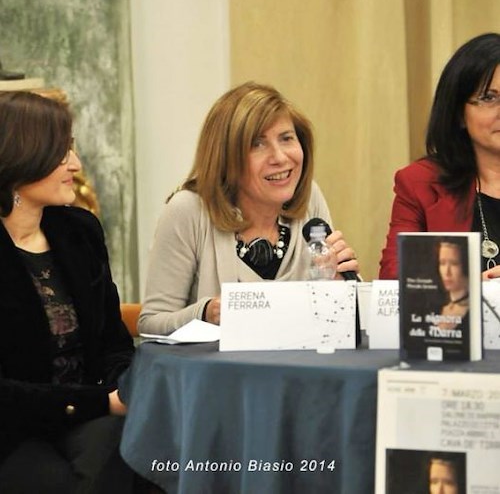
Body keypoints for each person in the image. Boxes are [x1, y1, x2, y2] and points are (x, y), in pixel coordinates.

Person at [139, 81, 359, 334]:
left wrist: (340, 284)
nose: (279, 157)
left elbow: (331, 323)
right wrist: (205, 312)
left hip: (299, 370)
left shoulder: (310, 199)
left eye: (286, 138)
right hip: (218, 373)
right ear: (225, 157)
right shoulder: (187, 211)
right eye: (257, 144)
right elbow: (150, 325)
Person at [0, 91, 137, 493]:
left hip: (89, 418)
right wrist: (100, 403)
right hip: (13, 430)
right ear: (23, 157)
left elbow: (114, 341)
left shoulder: (79, 231)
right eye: (62, 154)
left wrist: (124, 389)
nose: (76, 165)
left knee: (117, 447)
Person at [379, 32, 500, 280]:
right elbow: (396, 281)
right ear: (458, 112)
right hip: (458, 318)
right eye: (489, 98)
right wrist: (470, 289)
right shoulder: (420, 183)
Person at [435, 238, 469, 330]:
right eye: (442, 263)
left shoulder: (474, 312)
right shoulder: (435, 308)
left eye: (454, 263)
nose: (447, 272)